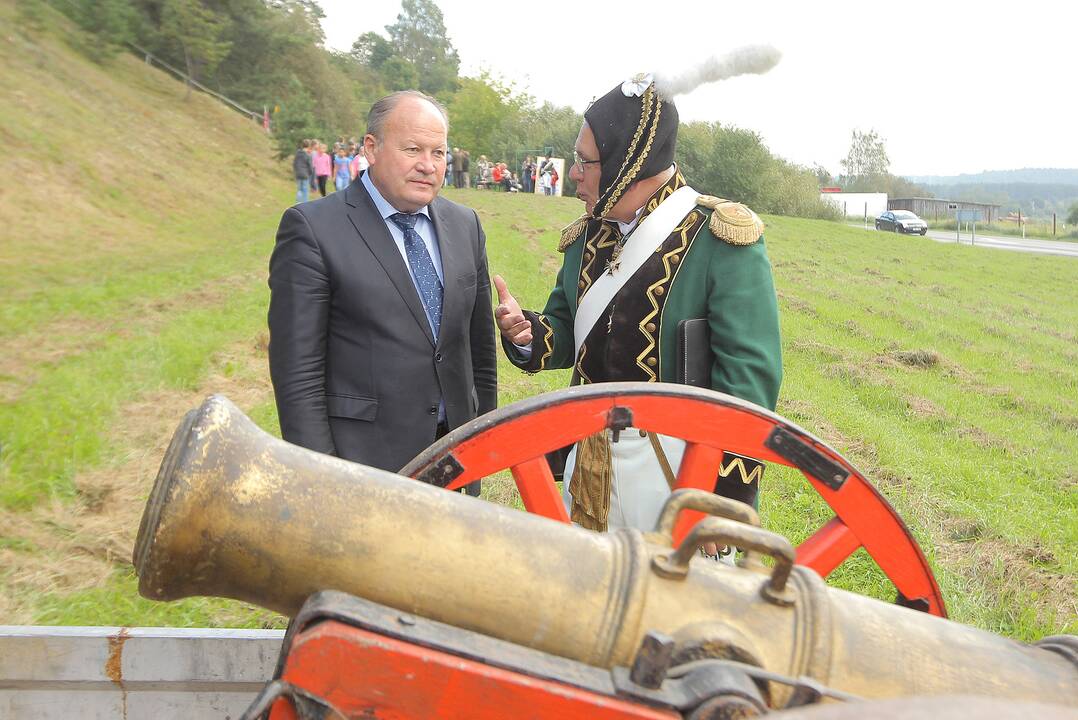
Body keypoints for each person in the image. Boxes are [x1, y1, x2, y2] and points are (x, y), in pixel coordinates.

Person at [492, 73, 781, 538]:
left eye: (585, 162)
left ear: (630, 163)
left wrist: (719, 501)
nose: (574, 174)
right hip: (587, 462)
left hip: (677, 475)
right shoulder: (587, 236)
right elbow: (566, 333)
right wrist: (527, 333)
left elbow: (749, 380)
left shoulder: (720, 239)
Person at [268, 90, 497, 493]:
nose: (428, 166)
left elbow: (478, 352)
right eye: (412, 149)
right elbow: (297, 375)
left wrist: (484, 439)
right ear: (371, 148)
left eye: (439, 153)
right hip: (363, 465)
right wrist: (324, 477)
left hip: (456, 458)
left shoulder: (466, 225)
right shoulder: (313, 229)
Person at [293, 138, 314, 203]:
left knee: (299, 189)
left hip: (298, 174)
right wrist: (310, 173)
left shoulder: (297, 154)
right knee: (305, 190)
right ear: (309, 146)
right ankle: (305, 204)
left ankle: (297, 202)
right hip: (305, 174)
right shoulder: (308, 155)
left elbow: (294, 164)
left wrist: (296, 171)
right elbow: (310, 166)